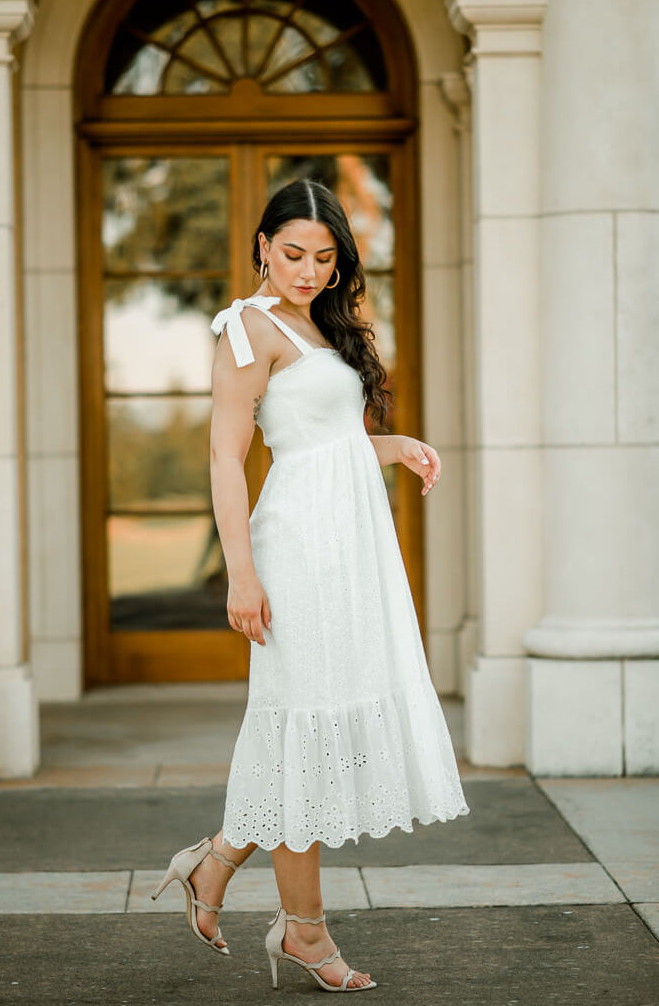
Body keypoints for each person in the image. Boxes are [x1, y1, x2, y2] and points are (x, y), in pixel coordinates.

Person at [151, 178, 469, 992]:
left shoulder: (319, 325)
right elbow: (228, 458)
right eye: (293, 253)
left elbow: (327, 444)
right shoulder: (246, 327)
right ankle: (303, 931)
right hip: (293, 552)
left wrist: (393, 445)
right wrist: (243, 576)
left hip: (350, 548)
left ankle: (216, 864)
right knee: (305, 735)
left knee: (317, 735)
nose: (309, 270)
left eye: (325, 257)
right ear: (262, 245)